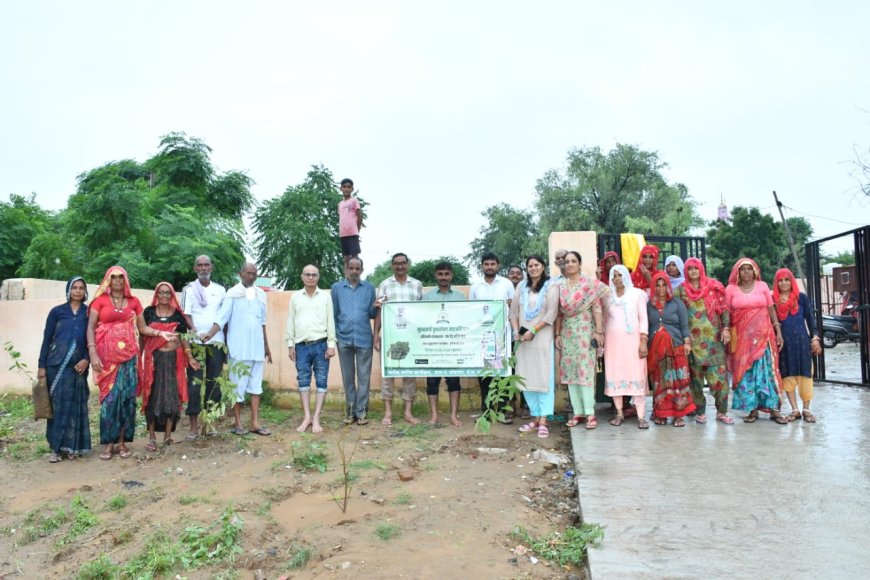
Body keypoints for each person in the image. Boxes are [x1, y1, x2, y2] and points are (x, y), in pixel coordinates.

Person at [87, 266, 176, 460]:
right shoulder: (99, 301)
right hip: (107, 361)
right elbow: (90, 327)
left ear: (126, 281)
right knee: (109, 401)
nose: (117, 281)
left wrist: (160, 333)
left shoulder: (134, 302)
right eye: (114, 278)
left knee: (126, 400)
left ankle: (122, 443)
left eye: (121, 278)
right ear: (108, 280)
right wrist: (92, 352)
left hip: (128, 359)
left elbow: (143, 327)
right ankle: (109, 444)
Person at [724, 258, 787, 424]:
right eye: (742, 269)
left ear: (755, 271)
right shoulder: (731, 289)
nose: (746, 272)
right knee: (747, 373)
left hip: (765, 337)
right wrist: (725, 330)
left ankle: (774, 409)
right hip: (742, 340)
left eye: (749, 269)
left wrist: (778, 330)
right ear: (737, 272)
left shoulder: (763, 286)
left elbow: (771, 308)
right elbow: (726, 312)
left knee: (768, 372)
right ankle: (752, 410)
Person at [38, 276, 91, 463]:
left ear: (85, 292)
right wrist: (41, 365)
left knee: (75, 406)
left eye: (81, 288)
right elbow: (47, 339)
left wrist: (87, 359)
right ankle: (55, 448)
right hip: (56, 365)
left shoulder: (89, 313)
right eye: (74, 287)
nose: (78, 291)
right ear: (68, 290)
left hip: (78, 367)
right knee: (58, 407)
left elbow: (93, 341)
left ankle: (73, 447)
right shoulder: (57, 312)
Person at [140, 283, 199, 451]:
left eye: (168, 293)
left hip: (173, 361)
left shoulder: (178, 316)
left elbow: (183, 338)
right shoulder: (149, 312)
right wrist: (139, 359)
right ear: (156, 295)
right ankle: (152, 438)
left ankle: (167, 437)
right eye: (161, 292)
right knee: (152, 397)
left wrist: (190, 356)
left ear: (172, 295)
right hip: (154, 361)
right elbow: (143, 334)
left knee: (172, 397)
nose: (165, 296)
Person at [215, 263, 273, 435]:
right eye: (248, 273)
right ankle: (238, 423)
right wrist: (211, 335)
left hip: (256, 348)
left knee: (256, 387)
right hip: (238, 349)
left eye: (254, 274)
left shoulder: (261, 294)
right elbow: (222, 319)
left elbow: (262, 322)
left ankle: (255, 423)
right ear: (240, 274)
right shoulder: (232, 294)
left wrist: (266, 346)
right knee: (237, 388)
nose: (251, 276)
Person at [675, 258, 733, 424]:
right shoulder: (681, 290)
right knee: (696, 380)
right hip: (693, 342)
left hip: (715, 341)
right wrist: (683, 335)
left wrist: (726, 329)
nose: (693, 271)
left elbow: (724, 309)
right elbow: (677, 314)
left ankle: (722, 412)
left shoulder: (714, 287)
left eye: (696, 268)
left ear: (701, 269)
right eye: (690, 268)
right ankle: (700, 411)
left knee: (719, 379)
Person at [555, 251, 608, 430]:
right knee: (570, 372)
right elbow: (559, 313)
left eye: (573, 261)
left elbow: (597, 309)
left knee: (584, 372)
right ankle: (577, 411)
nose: (569, 264)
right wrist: (557, 334)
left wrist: (599, 332)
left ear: (579, 264)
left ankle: (589, 413)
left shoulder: (589, 285)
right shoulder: (561, 286)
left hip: (586, 332)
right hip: (568, 333)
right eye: (567, 262)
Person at [511, 255, 559, 438]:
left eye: (536, 265)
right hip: (523, 340)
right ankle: (535, 418)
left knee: (543, 378)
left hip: (541, 336)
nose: (533, 268)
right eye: (530, 265)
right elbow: (514, 311)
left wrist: (534, 330)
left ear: (543, 266)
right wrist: (516, 331)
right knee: (527, 377)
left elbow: (551, 313)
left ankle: (544, 421)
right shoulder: (521, 287)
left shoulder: (551, 286)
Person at [374, 252, 423, 425]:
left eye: (403, 263)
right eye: (396, 263)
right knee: (388, 375)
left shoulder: (416, 285)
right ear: (392, 265)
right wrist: (376, 335)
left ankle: (408, 413)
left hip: (410, 338)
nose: (400, 266)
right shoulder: (385, 285)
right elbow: (379, 310)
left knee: (410, 375)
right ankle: (388, 413)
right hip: (390, 337)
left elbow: (420, 313)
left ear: (408, 264)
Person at [180, 255, 227, 439]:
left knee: (214, 382)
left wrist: (213, 333)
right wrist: (193, 330)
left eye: (206, 265)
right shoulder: (188, 290)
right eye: (199, 265)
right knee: (194, 384)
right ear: (195, 268)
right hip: (195, 343)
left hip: (216, 342)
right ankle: (193, 426)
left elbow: (224, 317)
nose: (203, 268)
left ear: (212, 268)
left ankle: (210, 423)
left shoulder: (221, 290)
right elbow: (186, 314)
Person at [287, 265, 336, 434]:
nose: (310, 277)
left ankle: (316, 418)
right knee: (303, 380)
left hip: (321, 345)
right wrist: (290, 344)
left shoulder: (325, 297)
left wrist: (331, 345)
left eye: (314, 275)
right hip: (301, 347)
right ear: (302, 276)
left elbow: (331, 321)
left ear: (318, 277)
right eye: (307, 274)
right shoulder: (295, 297)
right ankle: (307, 417)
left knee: (321, 381)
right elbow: (291, 321)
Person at [331, 257, 377, 426]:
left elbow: (372, 314)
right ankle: (350, 412)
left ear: (362, 270)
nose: (354, 271)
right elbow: (333, 314)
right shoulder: (336, 288)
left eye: (358, 268)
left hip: (365, 338)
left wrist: (377, 305)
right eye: (351, 268)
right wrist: (334, 336)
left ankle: (362, 413)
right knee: (348, 378)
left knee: (364, 377)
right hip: (343, 338)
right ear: (346, 269)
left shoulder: (369, 288)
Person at [469, 252, 515, 421]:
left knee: (504, 373)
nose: (489, 267)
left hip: (504, 337)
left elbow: (514, 308)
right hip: (483, 338)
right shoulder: (476, 286)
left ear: (498, 265)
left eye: (492, 264)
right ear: (482, 266)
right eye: (486, 264)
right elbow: (473, 312)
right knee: (485, 375)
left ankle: (503, 410)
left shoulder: (506, 284)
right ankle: (487, 410)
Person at [604, 265, 650, 429]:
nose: (617, 279)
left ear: (626, 276)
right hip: (613, 344)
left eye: (620, 275)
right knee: (615, 375)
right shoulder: (608, 296)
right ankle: (619, 413)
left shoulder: (637, 294)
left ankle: (641, 416)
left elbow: (643, 319)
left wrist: (643, 340)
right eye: (614, 276)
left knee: (636, 375)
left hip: (633, 343)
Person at [773, 268, 822, 422]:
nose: (784, 283)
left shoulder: (801, 298)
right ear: (776, 283)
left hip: (802, 343)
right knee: (787, 375)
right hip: (784, 345)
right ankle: (795, 410)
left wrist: (815, 338)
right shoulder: (772, 300)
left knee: (805, 374)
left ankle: (806, 409)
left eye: (787, 280)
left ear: (792, 281)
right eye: (780, 280)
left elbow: (811, 320)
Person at [646, 272, 695, 427]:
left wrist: (687, 342)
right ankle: (661, 414)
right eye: (657, 286)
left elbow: (684, 325)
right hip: (658, 351)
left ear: (668, 286)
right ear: (653, 287)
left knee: (678, 381)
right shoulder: (649, 305)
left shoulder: (676, 303)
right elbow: (646, 326)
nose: (661, 289)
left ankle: (678, 415)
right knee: (661, 382)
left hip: (676, 347)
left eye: (663, 285)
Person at [422, 261, 466, 427]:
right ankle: (434, 415)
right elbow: (422, 321)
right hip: (433, 347)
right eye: (440, 274)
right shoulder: (427, 298)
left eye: (446, 274)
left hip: (453, 348)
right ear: (435, 275)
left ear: (451, 275)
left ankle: (454, 416)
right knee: (432, 382)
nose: (443, 277)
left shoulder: (460, 297)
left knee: (454, 382)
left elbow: (465, 320)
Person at [338, 178, 363, 269]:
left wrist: (357, 229)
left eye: (349, 187)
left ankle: (355, 279)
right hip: (343, 234)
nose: (346, 189)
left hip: (352, 233)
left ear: (352, 189)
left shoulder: (354, 201)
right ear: (341, 188)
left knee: (354, 258)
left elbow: (359, 215)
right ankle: (346, 279)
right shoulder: (340, 204)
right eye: (344, 187)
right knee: (346, 258)